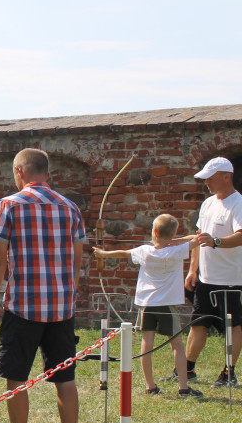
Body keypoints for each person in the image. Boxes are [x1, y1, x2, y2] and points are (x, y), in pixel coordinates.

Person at [0, 148, 88, 423]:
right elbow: (77, 258)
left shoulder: (10, 205)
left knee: (16, 378)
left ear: (19, 171)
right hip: (61, 308)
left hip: (23, 307)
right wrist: (70, 293)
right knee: (65, 379)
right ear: (47, 173)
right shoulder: (70, 208)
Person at [93, 214, 202, 397]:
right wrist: (175, 240)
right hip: (167, 304)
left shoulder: (145, 251)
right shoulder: (177, 250)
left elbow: (123, 254)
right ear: (172, 234)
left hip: (147, 304)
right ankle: (183, 388)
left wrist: (103, 254)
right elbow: (196, 239)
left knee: (147, 343)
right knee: (177, 345)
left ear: (155, 232)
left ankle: (150, 386)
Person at [186, 156, 242, 389]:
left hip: (231, 280)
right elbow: (200, 238)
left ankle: (229, 373)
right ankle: (186, 370)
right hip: (205, 279)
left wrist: (217, 241)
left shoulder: (238, 203)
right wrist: (192, 270)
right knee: (198, 324)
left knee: (233, 326)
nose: (206, 182)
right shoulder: (207, 203)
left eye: (210, 178)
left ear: (226, 177)